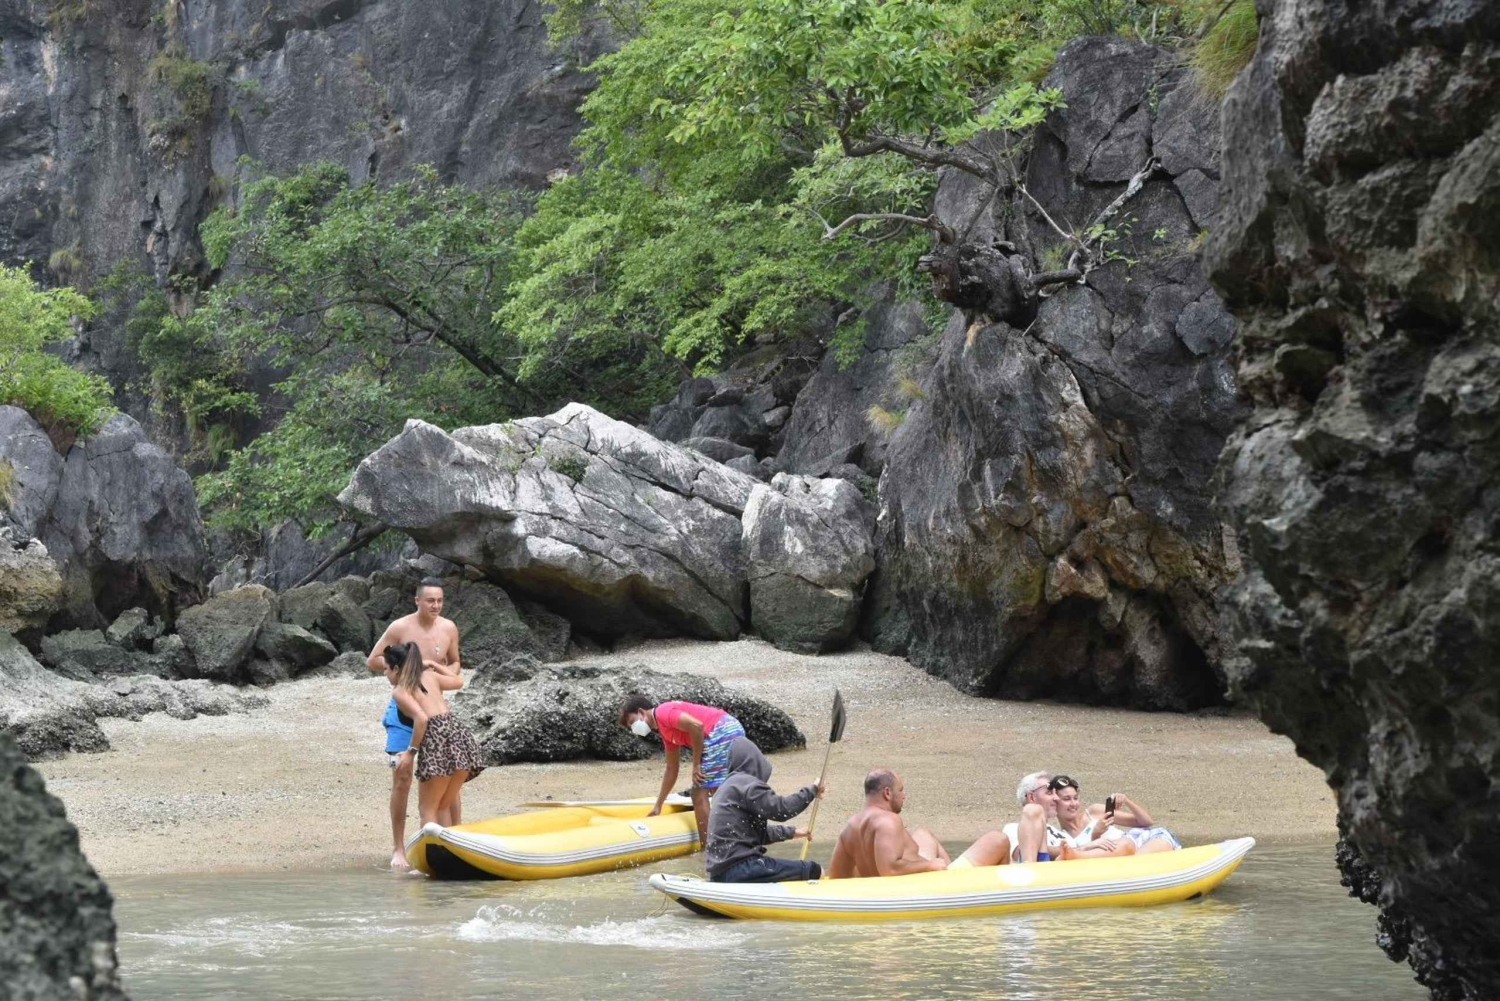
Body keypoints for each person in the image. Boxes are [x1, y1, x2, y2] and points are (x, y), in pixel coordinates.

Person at [366, 576, 462, 868]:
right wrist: (403, 670)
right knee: (403, 777)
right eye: (430, 600)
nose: (435, 605)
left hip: (434, 712)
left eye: (440, 600)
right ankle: (399, 849)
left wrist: (436, 669)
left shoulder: (448, 628)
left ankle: (457, 839)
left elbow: (456, 663)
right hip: (404, 713)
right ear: (417, 600)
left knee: (447, 780)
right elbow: (373, 660)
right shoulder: (400, 627)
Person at [827, 769, 1012, 878]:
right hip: (923, 885)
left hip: (905, 883)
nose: (904, 796)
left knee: (923, 834)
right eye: (901, 790)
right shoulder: (888, 820)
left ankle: (952, 873)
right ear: (887, 793)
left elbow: (836, 876)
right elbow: (889, 869)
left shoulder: (849, 827)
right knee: (998, 839)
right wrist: (929, 865)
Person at [619, 695, 745, 848]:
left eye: (632, 722)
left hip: (721, 730)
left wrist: (696, 764)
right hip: (728, 729)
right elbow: (672, 769)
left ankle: (710, 850)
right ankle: (736, 839)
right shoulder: (666, 733)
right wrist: (659, 804)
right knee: (716, 790)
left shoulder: (662, 712)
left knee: (698, 793)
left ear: (641, 712)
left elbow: (697, 726)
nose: (634, 729)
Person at [384, 641, 484, 829]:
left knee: (427, 809)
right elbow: (458, 681)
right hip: (458, 734)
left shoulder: (400, 690)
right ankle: (448, 853)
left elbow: (421, 719)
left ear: (396, 668)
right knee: (443, 806)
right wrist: (435, 664)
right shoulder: (429, 675)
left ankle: (434, 853)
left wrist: (410, 752)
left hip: (437, 739)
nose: (385, 674)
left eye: (386, 669)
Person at [705, 738, 825, 883]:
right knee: (813, 870)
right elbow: (783, 809)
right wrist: (812, 790)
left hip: (719, 873)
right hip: (743, 868)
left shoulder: (725, 788)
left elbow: (755, 833)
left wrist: (793, 833)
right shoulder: (747, 784)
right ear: (755, 761)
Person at [1050, 775, 1180, 857]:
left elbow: (1146, 822)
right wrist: (1096, 834)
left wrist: (1126, 801)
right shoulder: (1062, 837)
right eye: (1067, 799)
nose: (1073, 804)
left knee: (1135, 860)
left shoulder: (1094, 812)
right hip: (1122, 854)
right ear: (1055, 802)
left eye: (1075, 798)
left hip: (1145, 838)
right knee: (1130, 861)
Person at [1000, 771, 1069, 863]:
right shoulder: (1013, 828)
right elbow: (1019, 854)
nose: (1056, 798)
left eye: (1055, 793)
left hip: (1062, 874)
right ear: (1031, 797)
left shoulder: (1061, 834)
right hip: (1034, 871)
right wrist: (1065, 851)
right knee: (1032, 810)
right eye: (1049, 793)